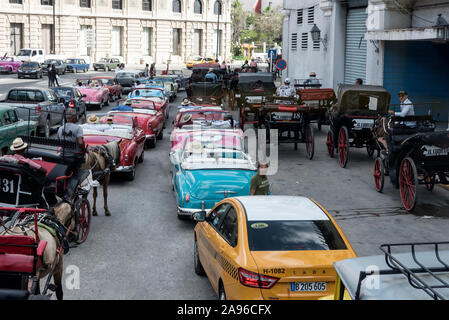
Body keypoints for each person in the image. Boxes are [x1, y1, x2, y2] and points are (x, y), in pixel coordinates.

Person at [57, 108, 85, 201]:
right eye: (76, 116)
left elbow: (59, 142)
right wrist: (84, 149)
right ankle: (72, 191)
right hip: (73, 158)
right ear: (73, 118)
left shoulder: (61, 128)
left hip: (62, 157)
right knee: (76, 173)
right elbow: (80, 142)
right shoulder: (78, 128)